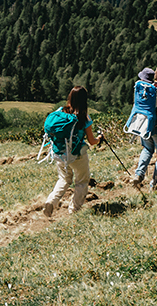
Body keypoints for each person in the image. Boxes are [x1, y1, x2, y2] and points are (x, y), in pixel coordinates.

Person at [42, 86, 103, 217]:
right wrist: (99, 138)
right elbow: (92, 141)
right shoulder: (84, 117)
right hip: (77, 155)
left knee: (64, 179)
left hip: (59, 153)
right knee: (82, 181)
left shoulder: (60, 111)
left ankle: (51, 201)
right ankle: (74, 210)